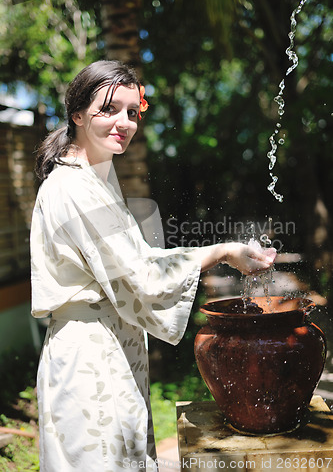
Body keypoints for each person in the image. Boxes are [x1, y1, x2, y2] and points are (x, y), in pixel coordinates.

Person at [30, 60, 276, 472]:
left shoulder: (93, 180)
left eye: (131, 111)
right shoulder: (74, 188)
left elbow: (137, 261)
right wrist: (219, 252)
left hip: (111, 352)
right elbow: (142, 278)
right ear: (76, 114)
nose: (123, 122)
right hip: (89, 361)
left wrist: (228, 250)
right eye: (108, 109)